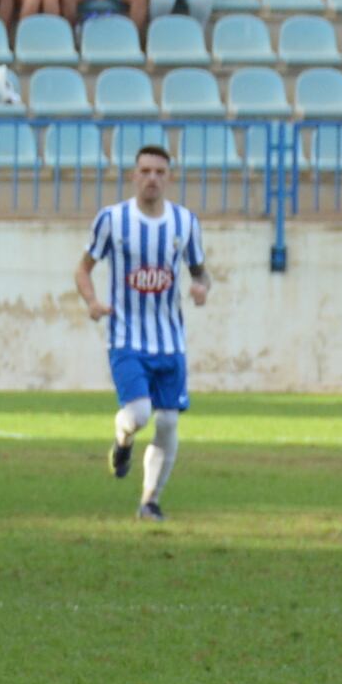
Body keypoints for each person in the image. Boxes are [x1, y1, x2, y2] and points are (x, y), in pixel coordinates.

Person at [82, 144, 207, 518]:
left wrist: (202, 286)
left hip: (170, 341)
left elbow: (200, 270)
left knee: (168, 422)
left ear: (168, 178)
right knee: (138, 414)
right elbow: (83, 267)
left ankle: (149, 500)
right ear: (134, 175)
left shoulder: (185, 223)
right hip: (126, 338)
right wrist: (91, 301)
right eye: (145, 171)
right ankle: (122, 441)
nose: (152, 178)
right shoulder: (112, 220)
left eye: (159, 172)